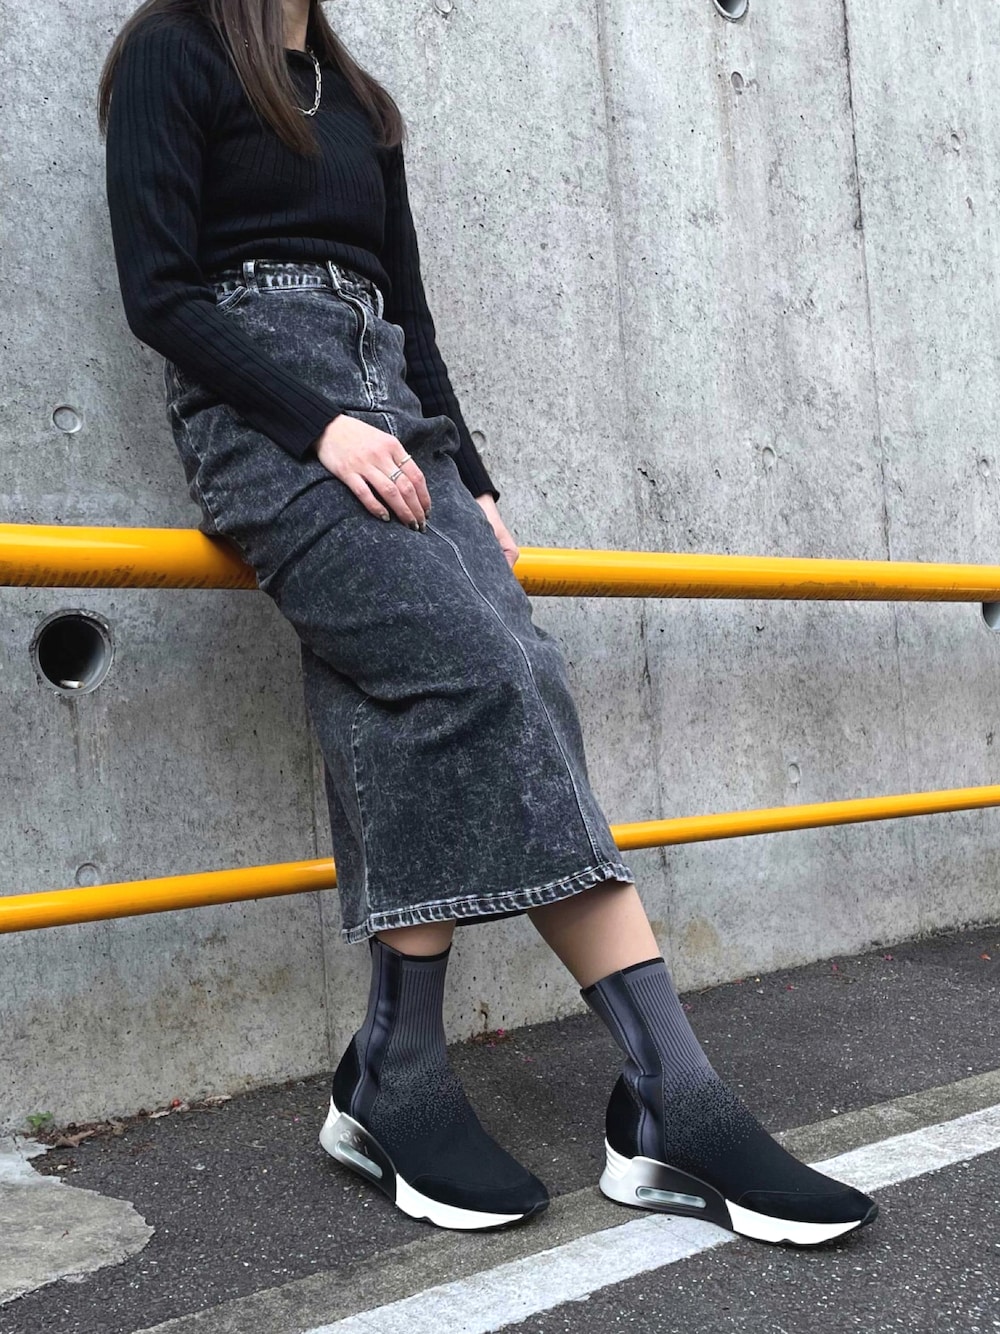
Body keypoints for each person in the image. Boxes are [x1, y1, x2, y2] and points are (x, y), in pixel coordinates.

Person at [99, 0, 878, 1244]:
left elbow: (407, 314)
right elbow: (159, 291)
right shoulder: (172, 50)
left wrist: (474, 478)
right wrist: (318, 424)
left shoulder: (359, 100)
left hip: (395, 418)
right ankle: (670, 1094)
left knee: (505, 672)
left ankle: (397, 1071)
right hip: (267, 420)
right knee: (478, 677)